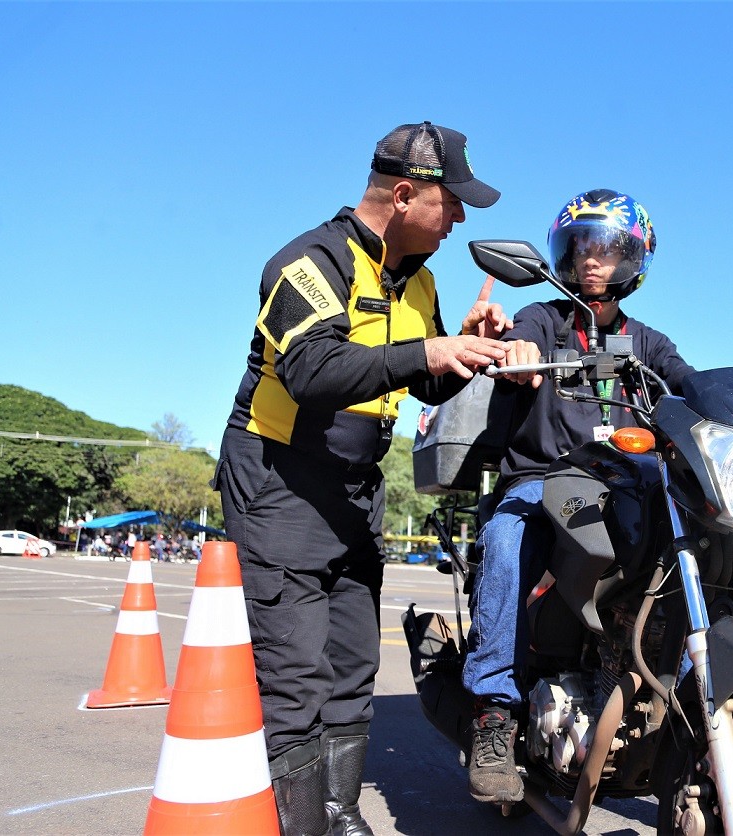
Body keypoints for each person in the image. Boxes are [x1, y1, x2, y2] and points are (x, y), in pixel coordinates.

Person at [214, 121, 510, 836]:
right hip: (279, 479)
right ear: (405, 195)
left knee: (351, 667)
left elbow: (425, 383)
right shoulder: (309, 262)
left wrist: (468, 347)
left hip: (354, 489)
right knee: (296, 678)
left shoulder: (422, 281)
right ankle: (305, 826)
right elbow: (312, 371)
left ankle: (342, 814)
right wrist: (429, 351)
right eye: (453, 201)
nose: (461, 218)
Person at [459, 189, 733, 803]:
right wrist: (515, 348)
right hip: (542, 480)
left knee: (707, 537)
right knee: (507, 538)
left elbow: (691, 385)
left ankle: (690, 693)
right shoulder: (542, 318)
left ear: (633, 259)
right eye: (580, 246)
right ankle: (493, 713)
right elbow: (520, 340)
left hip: (623, 484)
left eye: (606, 247)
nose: (590, 260)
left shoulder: (649, 342)